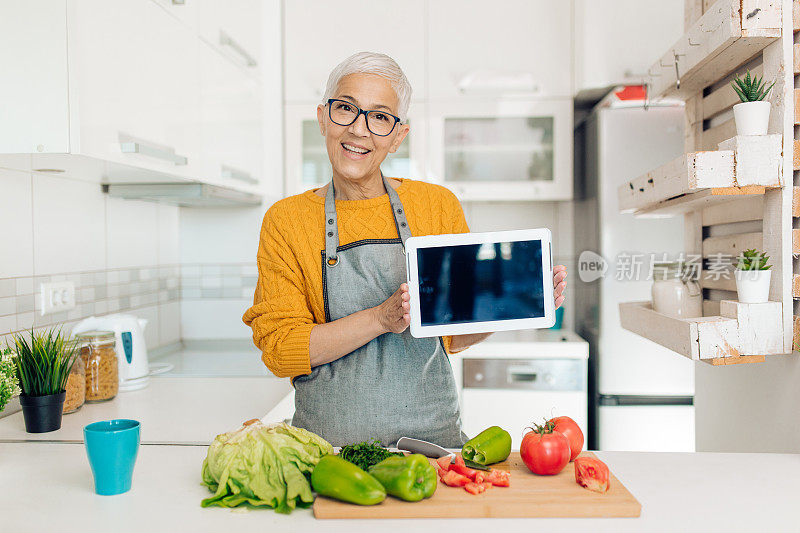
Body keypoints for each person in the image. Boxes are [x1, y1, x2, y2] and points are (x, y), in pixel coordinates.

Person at [243, 51, 567, 447]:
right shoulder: (287, 220)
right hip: (326, 453)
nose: (360, 130)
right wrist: (381, 318)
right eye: (346, 108)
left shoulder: (436, 206)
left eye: (380, 117)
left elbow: (452, 335)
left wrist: (516, 304)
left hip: (433, 449)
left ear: (398, 136)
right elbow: (280, 349)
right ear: (324, 118)